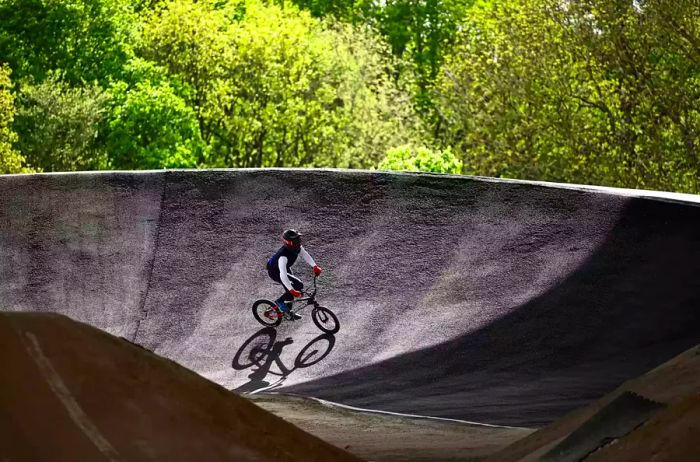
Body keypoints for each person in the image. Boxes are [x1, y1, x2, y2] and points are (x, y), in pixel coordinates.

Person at [266, 229, 322, 320]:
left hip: (285, 269)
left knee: (296, 287)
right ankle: (280, 302)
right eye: (296, 241)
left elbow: (305, 255)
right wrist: (292, 290)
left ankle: (288, 311)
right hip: (275, 272)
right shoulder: (283, 256)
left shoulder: (297, 247)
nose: (299, 242)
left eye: (299, 239)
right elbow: (283, 275)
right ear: (289, 243)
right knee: (294, 289)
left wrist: (314, 266)